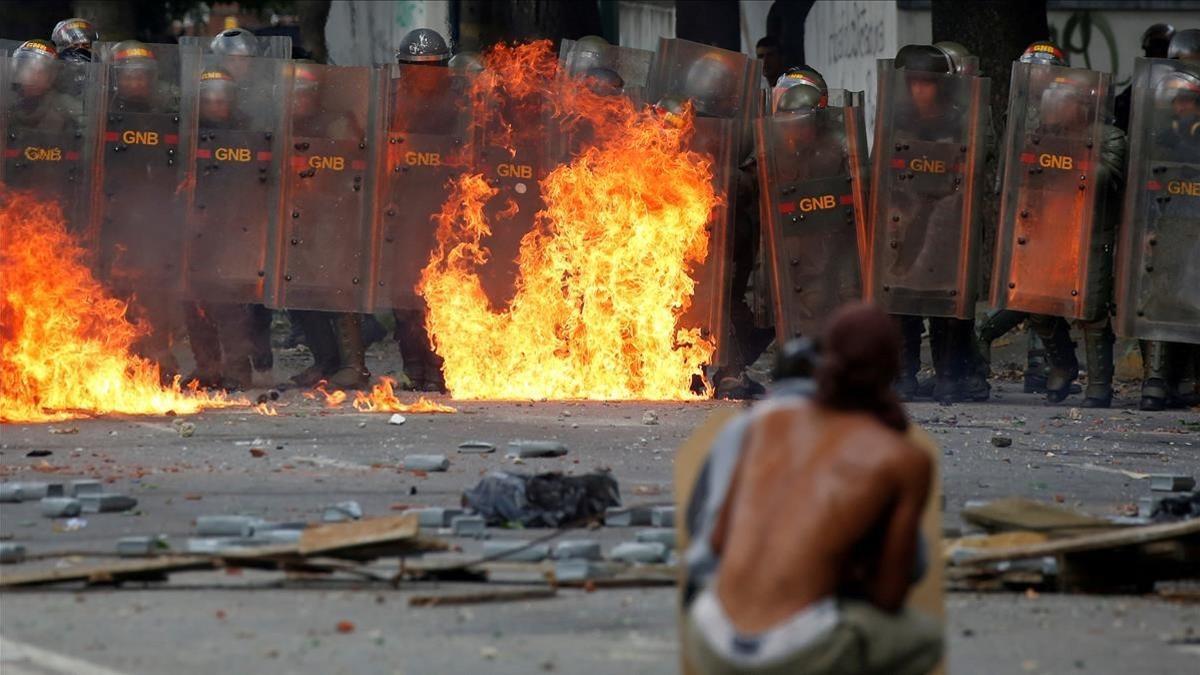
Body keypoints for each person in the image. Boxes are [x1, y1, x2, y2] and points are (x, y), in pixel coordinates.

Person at [685, 303, 941, 675]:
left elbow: (718, 543)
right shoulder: (902, 457)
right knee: (924, 637)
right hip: (794, 652)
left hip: (709, 636)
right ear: (894, 369)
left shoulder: (764, 421)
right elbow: (890, 594)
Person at [882, 44, 988, 404]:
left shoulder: (961, 120)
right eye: (913, 83)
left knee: (948, 298)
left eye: (927, 83)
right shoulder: (896, 118)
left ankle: (949, 375)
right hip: (906, 216)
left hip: (949, 218)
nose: (919, 90)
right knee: (902, 295)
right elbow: (881, 168)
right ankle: (904, 374)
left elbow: (975, 167)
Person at [285, 61, 371, 390]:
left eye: (305, 94)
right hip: (296, 217)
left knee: (336, 290)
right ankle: (325, 361)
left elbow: (356, 168)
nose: (299, 100)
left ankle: (354, 365)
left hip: (332, 217)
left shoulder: (337, 125)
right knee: (299, 292)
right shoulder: (286, 126)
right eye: (294, 94)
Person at [181, 68, 260, 390]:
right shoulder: (188, 133)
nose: (216, 105)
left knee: (227, 303)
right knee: (190, 298)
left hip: (231, 228)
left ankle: (238, 371)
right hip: (191, 226)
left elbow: (252, 185)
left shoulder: (245, 135)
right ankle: (208, 367)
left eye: (221, 98)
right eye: (209, 99)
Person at [388, 28, 454, 392]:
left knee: (440, 294)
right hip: (403, 211)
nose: (423, 76)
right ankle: (414, 368)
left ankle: (440, 367)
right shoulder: (390, 101)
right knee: (404, 296)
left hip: (447, 211)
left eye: (430, 68)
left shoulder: (461, 104)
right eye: (416, 68)